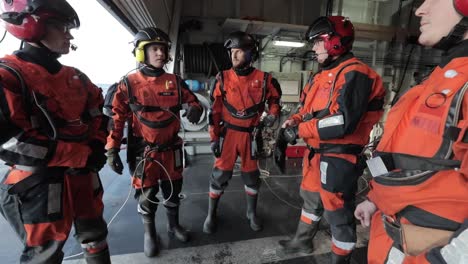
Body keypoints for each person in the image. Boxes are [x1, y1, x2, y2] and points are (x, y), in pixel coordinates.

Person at [354, 0, 468, 263]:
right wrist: (375, 199)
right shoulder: (436, 81)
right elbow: (404, 157)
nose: (419, 10)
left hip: (431, 251)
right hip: (392, 236)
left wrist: (446, 259)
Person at [0, 1, 110, 263]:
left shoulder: (79, 78)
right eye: (61, 27)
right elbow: (9, 142)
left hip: (83, 178)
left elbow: (99, 117)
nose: (69, 35)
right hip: (39, 184)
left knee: (95, 235)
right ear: (33, 26)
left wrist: (97, 145)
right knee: (44, 254)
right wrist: (82, 155)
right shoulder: (8, 76)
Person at [278, 16, 386, 264]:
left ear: (335, 42)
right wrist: (293, 121)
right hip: (317, 153)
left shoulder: (356, 74)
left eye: (317, 42)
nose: (313, 48)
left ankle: (341, 259)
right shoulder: (322, 76)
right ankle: (302, 241)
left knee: (337, 211)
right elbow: (307, 109)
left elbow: (342, 122)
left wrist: (300, 131)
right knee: (310, 199)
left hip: (339, 156)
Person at [106, 27, 203, 258]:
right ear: (141, 53)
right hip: (144, 152)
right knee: (147, 195)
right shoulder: (128, 84)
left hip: (172, 150)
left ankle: (173, 225)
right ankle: (149, 233)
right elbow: (116, 121)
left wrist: (195, 109)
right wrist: (111, 150)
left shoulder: (175, 82)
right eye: (154, 49)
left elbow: (194, 102)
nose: (160, 53)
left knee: (173, 191)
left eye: (163, 49)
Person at [203, 31, 282, 234]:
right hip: (228, 136)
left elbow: (275, 101)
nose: (234, 56)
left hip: (251, 136)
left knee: (251, 176)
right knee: (219, 175)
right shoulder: (222, 78)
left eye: (239, 52)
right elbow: (215, 112)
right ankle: (211, 214)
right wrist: (214, 138)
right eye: (232, 52)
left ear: (251, 54)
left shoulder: (265, 79)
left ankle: (251, 213)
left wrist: (273, 114)